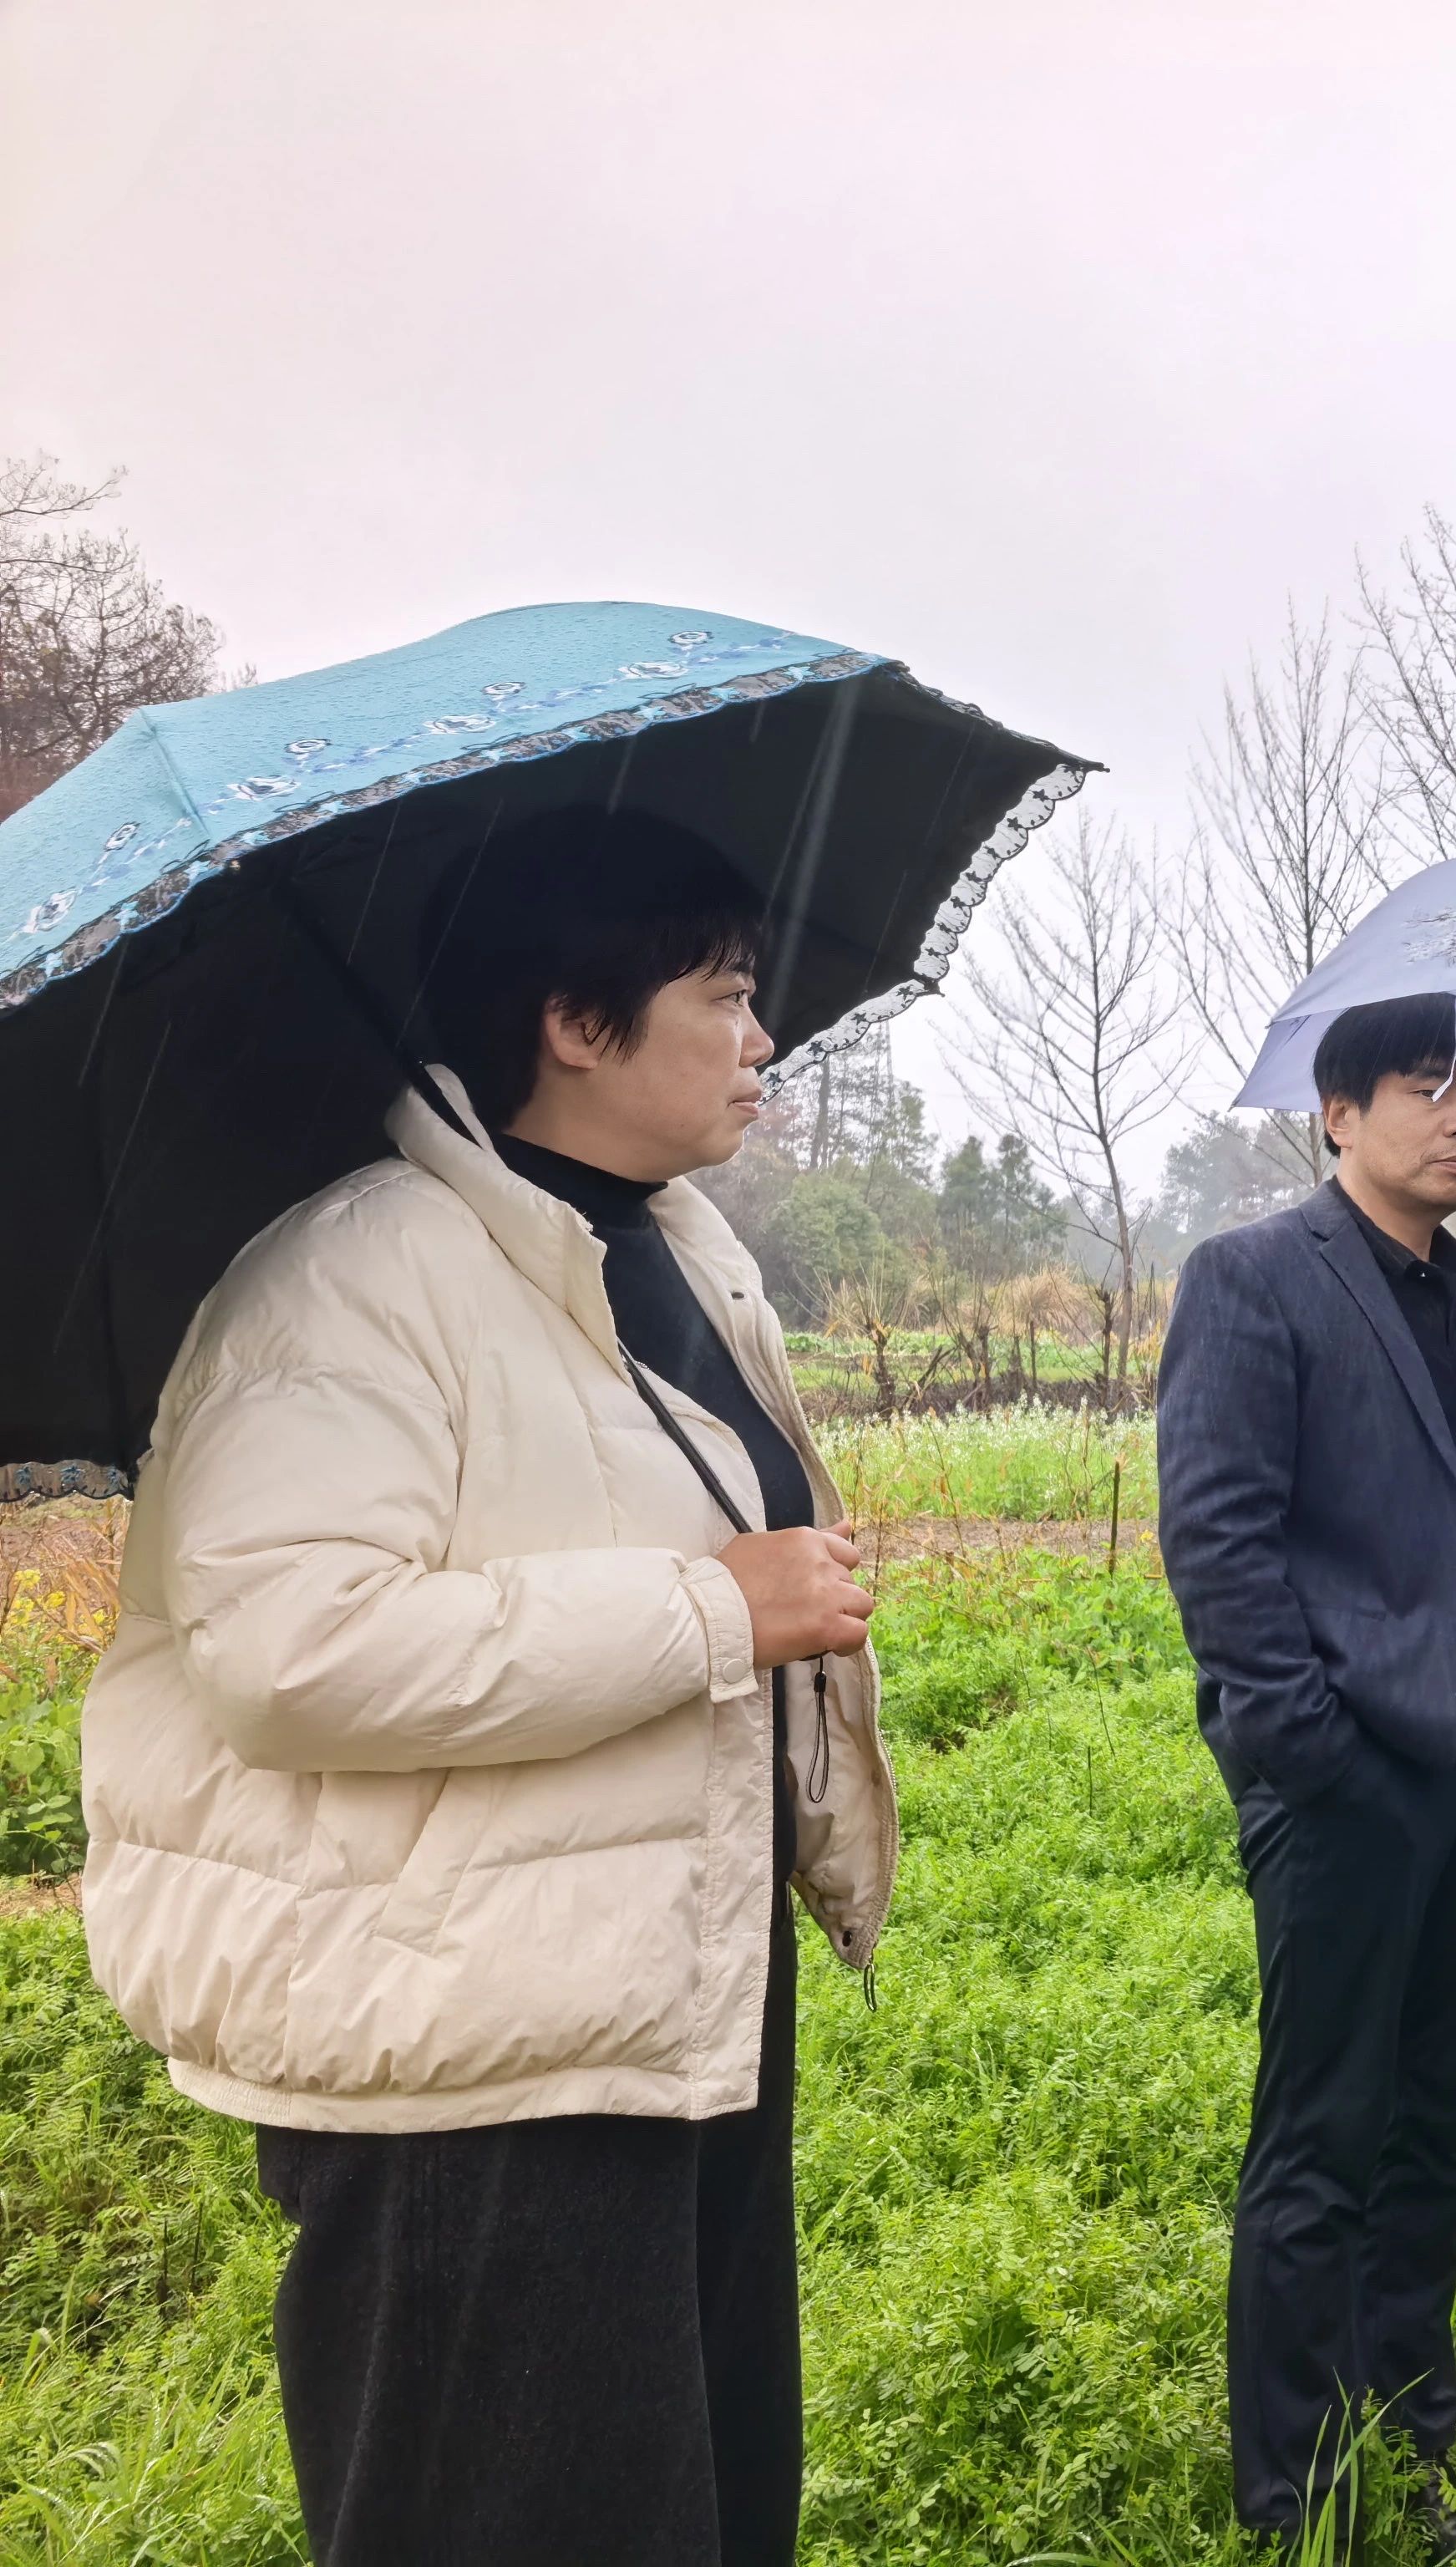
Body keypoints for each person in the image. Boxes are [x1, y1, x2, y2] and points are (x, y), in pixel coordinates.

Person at [78, 810, 893, 2567]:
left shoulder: (676, 1252)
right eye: (723, 995)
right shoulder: (356, 1275)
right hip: (469, 2062)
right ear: (575, 1022)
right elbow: (291, 1652)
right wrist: (712, 1608)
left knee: (700, 2509)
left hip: (670, 2001)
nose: (762, 1038)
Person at [1154, 995, 1456, 2559]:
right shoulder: (1254, 1277)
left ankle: (1407, 2458)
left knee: (1432, 2128)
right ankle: (1301, 2500)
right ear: (1338, 1114)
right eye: (1429, 1088)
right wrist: (1309, 1751)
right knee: (1325, 2139)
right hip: (1347, 1780)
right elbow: (1217, 1536)